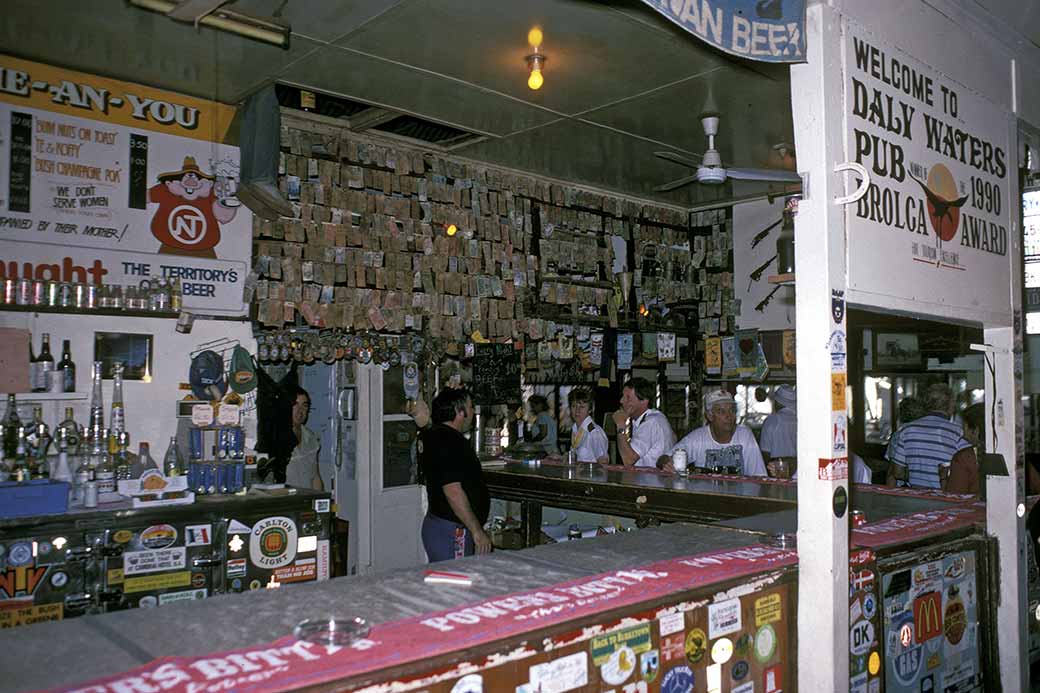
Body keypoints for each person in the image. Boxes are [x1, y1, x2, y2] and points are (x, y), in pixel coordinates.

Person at [419, 388, 492, 561]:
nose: (473, 412)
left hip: (443, 527)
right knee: (455, 585)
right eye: (470, 407)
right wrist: (477, 531)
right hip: (452, 532)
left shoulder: (434, 435)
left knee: (450, 583)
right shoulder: (450, 441)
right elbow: (453, 491)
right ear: (460, 412)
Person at [886, 384, 977, 493]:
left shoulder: (907, 431)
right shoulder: (958, 433)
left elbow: (897, 472)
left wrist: (918, 473)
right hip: (945, 499)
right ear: (951, 405)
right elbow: (969, 468)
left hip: (916, 497)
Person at [661, 389, 767, 476]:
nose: (728, 416)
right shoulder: (697, 438)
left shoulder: (745, 436)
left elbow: (759, 476)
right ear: (710, 416)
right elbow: (664, 458)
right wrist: (667, 463)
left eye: (731, 410)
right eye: (721, 411)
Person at [611, 377, 675, 468]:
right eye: (622, 396)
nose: (621, 401)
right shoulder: (656, 417)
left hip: (650, 481)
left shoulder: (651, 422)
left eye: (628, 397)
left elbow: (628, 460)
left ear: (644, 401)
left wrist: (620, 425)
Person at [286, 386, 323, 490]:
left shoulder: (311, 438)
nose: (300, 410)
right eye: (295, 404)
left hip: (306, 502)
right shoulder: (273, 437)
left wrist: (319, 502)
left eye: (304, 405)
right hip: (284, 503)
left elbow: (315, 476)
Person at [568, 388, 608, 464]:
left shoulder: (594, 432)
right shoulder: (575, 429)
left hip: (591, 475)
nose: (577, 410)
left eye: (582, 407)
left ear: (590, 409)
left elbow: (603, 462)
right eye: (573, 406)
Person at [759, 384, 797, 464]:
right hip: (798, 472)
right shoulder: (801, 421)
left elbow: (765, 454)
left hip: (776, 470)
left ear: (778, 402)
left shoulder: (771, 421)